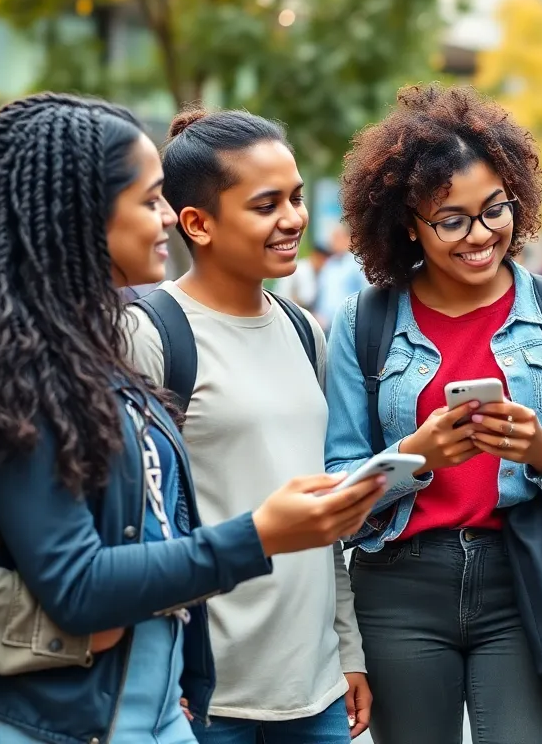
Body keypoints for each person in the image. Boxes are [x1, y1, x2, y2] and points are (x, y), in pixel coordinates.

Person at [0, 93, 386, 744]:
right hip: (22, 710)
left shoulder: (74, 338)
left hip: (144, 704)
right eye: (150, 199)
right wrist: (59, 627)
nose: (168, 218)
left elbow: (135, 533)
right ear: (82, 211)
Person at [324, 84, 542, 744]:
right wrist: (417, 460)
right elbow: (339, 485)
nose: (480, 235)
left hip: (522, 580)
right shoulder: (363, 322)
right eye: (451, 220)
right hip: (399, 586)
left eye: (495, 210)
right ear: (409, 224)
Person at [125, 108, 373, 743]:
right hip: (203, 695)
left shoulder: (303, 330)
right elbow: (131, 527)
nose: (293, 218)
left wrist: (347, 650)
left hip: (314, 690)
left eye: (294, 198)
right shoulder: (151, 334)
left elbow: (319, 509)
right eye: (266, 205)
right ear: (198, 224)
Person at [312, 224, 367, 331]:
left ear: (349, 239)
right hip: (325, 325)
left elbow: (364, 293)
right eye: (333, 238)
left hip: (348, 326)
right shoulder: (329, 264)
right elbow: (321, 293)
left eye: (338, 237)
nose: (334, 242)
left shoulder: (357, 263)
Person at [275, 242, 331, 312]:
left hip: (303, 310)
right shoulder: (300, 269)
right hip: (286, 308)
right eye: (322, 259)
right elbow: (287, 294)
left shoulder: (320, 273)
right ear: (315, 255)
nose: (324, 263)